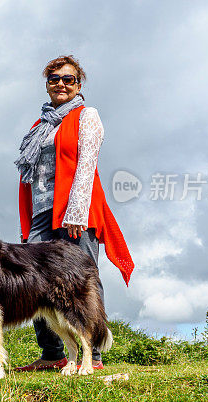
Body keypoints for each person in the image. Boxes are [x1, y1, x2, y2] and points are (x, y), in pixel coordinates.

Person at [13, 55, 134, 372]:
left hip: (75, 211)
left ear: (78, 84)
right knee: (33, 282)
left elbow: (86, 164)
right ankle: (53, 354)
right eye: (54, 79)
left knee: (81, 281)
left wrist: (77, 210)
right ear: (48, 85)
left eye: (68, 78)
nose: (61, 84)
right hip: (41, 212)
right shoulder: (39, 126)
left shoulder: (86, 116)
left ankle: (91, 355)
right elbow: (31, 176)